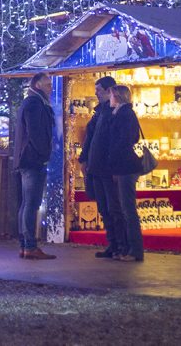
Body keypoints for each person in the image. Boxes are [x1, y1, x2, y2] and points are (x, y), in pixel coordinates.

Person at [79, 76, 125, 259]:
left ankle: (120, 245)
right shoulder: (100, 113)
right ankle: (113, 244)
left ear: (108, 91)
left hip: (106, 167)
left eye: (98, 90)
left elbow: (115, 140)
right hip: (96, 167)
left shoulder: (113, 113)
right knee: (104, 208)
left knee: (113, 208)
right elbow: (91, 139)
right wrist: (84, 159)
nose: (95, 93)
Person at [14, 72, 57, 260]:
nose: (51, 87)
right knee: (31, 203)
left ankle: (25, 245)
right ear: (38, 85)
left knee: (27, 203)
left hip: (27, 159)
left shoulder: (32, 102)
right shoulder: (35, 103)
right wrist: (43, 154)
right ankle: (30, 245)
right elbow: (36, 132)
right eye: (48, 84)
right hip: (33, 159)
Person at [107, 84, 145, 262]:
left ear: (118, 97)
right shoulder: (122, 114)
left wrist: (114, 161)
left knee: (128, 209)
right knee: (125, 207)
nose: (110, 99)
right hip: (124, 165)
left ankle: (135, 250)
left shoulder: (124, 115)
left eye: (112, 95)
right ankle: (130, 249)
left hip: (125, 166)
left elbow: (124, 140)